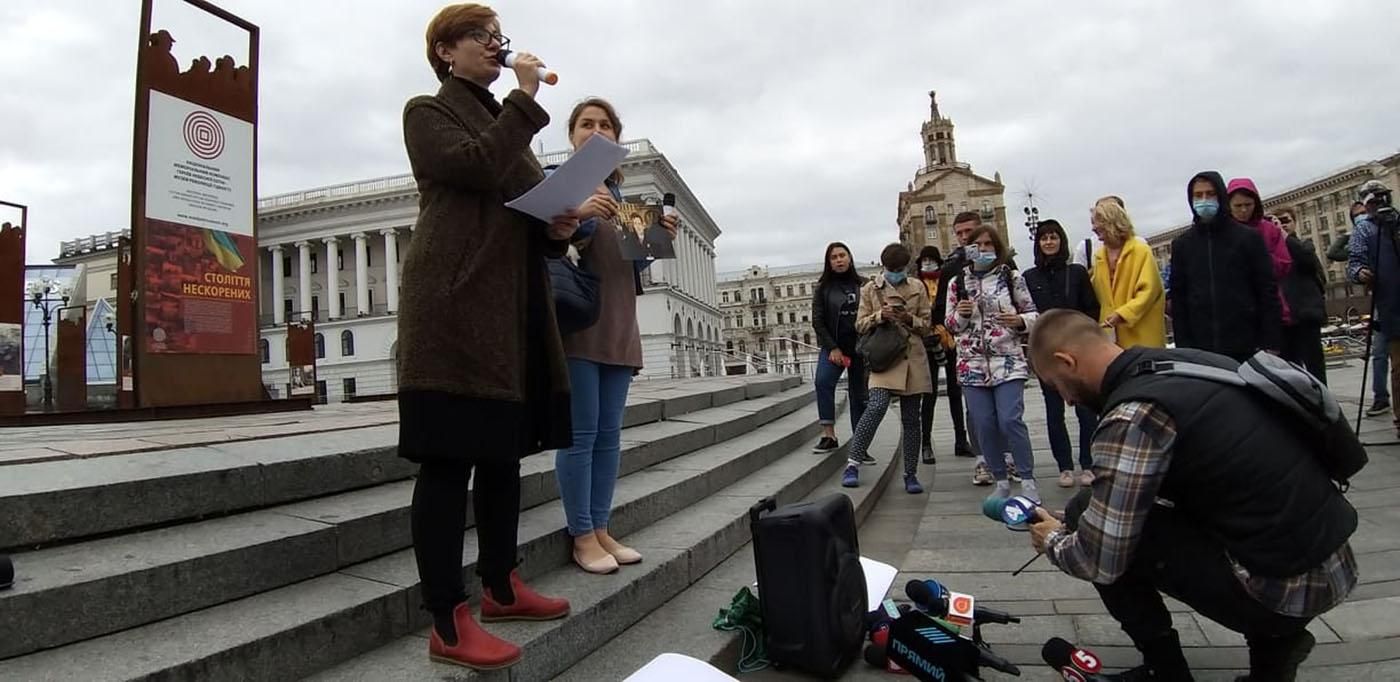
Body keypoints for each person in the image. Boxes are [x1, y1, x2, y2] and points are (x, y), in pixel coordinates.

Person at [1026, 309, 1358, 682]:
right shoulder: (1189, 362)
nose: (1067, 400)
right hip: (1330, 559)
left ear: (1066, 361)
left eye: (1057, 385)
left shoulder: (1134, 414)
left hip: (1283, 591)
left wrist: (1053, 539)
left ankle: (1167, 671)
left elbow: (1097, 559)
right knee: (1095, 513)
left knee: (1089, 523)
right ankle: (1272, 652)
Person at [398, 4, 574, 671]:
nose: (496, 46)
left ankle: (501, 585)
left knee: (502, 456)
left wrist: (557, 228)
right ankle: (447, 619)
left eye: (499, 36)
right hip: (451, 308)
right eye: (482, 36)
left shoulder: (508, 128)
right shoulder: (428, 112)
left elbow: (524, 207)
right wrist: (525, 98)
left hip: (507, 311)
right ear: (446, 51)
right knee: (447, 462)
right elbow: (474, 166)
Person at [554, 98, 678, 576]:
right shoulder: (558, 183)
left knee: (608, 438)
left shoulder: (621, 197)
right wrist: (576, 212)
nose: (597, 130)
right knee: (580, 436)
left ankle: (601, 527)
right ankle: (581, 534)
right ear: (573, 135)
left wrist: (658, 237)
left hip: (621, 322)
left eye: (606, 124)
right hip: (578, 323)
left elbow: (632, 264)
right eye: (587, 124)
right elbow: (540, 236)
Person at [947, 227, 1041, 502]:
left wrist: (1021, 322)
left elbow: (1033, 313)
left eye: (989, 244)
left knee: (1010, 419)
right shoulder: (958, 283)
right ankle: (1000, 479)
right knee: (984, 423)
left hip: (1007, 359)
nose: (984, 249)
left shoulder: (1011, 278)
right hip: (972, 363)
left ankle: (1027, 480)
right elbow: (950, 325)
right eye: (978, 244)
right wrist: (961, 316)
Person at [841, 243, 932, 494]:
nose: (896, 273)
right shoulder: (871, 289)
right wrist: (880, 316)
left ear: (906, 267)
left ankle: (910, 474)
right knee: (876, 406)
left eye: (900, 269)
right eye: (892, 269)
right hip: (884, 358)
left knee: (912, 418)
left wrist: (907, 318)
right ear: (884, 267)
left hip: (912, 357)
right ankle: (853, 463)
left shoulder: (917, 287)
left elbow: (927, 325)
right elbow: (859, 325)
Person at [1168, 171, 1282, 362]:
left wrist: (1272, 341)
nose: (1204, 200)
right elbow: (1179, 300)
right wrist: (1184, 346)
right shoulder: (1182, 245)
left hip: (1247, 344)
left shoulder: (1248, 238)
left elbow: (1267, 290)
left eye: (1210, 194)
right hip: (1200, 348)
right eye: (1198, 195)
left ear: (1221, 196)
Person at [1023, 219, 1100, 488]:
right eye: (1044, 238)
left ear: (1061, 240)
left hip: (1077, 350)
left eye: (1053, 237)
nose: (1049, 242)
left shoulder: (1076, 272)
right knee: (1053, 411)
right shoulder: (1030, 277)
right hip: (1047, 353)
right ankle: (1064, 466)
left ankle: (1088, 463)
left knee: (1085, 409)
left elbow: (1092, 308)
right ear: (1038, 243)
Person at [929, 212, 984, 479]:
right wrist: (946, 330)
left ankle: (999, 448)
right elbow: (940, 306)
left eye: (969, 232)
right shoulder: (951, 267)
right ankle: (962, 438)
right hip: (959, 341)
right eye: (959, 233)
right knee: (956, 389)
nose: (964, 237)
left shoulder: (1002, 260)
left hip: (994, 342)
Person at [1348, 180, 1400, 435]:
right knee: (1398, 364)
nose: (1381, 205)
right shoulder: (1364, 230)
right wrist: (1361, 272)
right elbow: (1354, 263)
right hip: (1391, 304)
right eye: (1374, 201)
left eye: (1383, 198)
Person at [811, 242, 870, 457]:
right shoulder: (823, 288)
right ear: (829, 262)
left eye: (842, 255)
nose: (839, 260)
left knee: (859, 395)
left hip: (860, 349)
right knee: (823, 382)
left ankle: (860, 446)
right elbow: (818, 321)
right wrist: (833, 348)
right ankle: (829, 435)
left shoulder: (864, 285)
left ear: (850, 258)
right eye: (834, 257)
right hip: (834, 348)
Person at [1089, 198, 1166, 349]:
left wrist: (1123, 314)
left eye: (1098, 222)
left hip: (1142, 336)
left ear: (1112, 222)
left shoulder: (1141, 250)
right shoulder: (1099, 257)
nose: (1094, 227)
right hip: (1112, 340)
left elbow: (1149, 292)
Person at [1268, 206, 1329, 383]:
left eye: (1286, 220)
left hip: (1306, 316)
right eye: (1278, 222)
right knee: (1291, 372)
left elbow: (1308, 262)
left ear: (1295, 222)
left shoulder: (1303, 245)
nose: (1282, 225)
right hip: (1284, 320)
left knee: (1315, 369)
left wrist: (1283, 236)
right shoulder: (1271, 253)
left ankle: (1321, 405)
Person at [915, 245, 953, 465]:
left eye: (931, 260)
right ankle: (926, 444)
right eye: (924, 260)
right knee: (928, 395)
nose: (927, 264)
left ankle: (961, 439)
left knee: (955, 391)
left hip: (949, 336)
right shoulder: (917, 284)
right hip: (927, 340)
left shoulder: (947, 282)